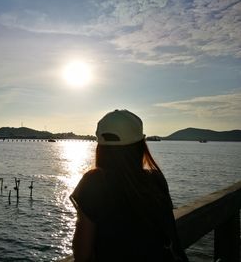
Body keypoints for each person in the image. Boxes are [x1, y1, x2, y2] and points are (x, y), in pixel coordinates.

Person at [70, 109, 189, 261]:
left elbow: (82, 255)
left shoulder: (93, 182)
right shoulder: (155, 179)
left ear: (100, 147)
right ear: (140, 146)